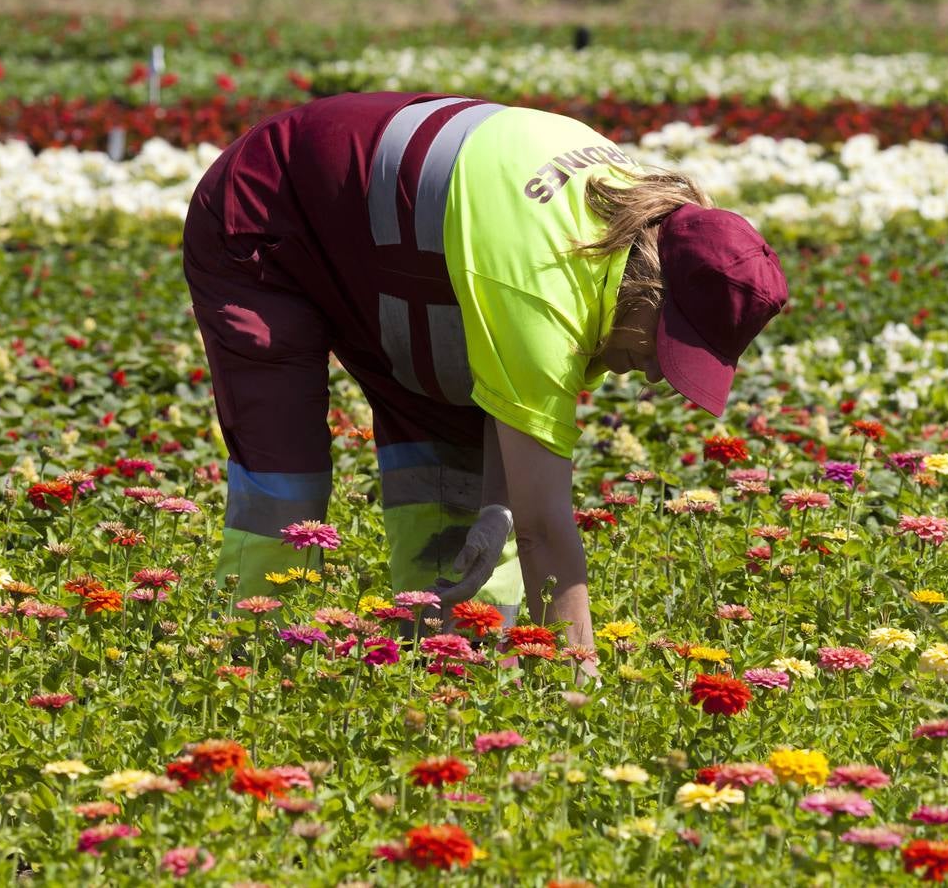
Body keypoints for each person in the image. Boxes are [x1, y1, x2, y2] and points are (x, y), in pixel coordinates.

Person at [183, 92, 787, 652]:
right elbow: (545, 528)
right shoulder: (545, 282)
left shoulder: (626, 229)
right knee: (286, 481)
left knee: (460, 505)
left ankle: (444, 679)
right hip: (267, 209)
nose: (656, 375)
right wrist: (579, 689)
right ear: (649, 290)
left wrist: (495, 508)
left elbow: (514, 441)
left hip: (395, 253)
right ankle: (255, 660)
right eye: (666, 348)